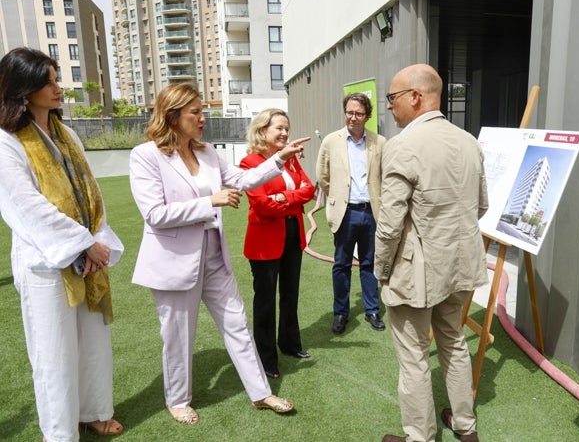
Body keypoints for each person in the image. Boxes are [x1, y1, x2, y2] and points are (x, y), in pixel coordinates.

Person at [129, 83, 308, 424]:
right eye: (195, 112)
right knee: (178, 335)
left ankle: (260, 393)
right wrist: (209, 201)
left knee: (237, 324)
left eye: (202, 112)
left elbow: (243, 179)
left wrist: (278, 159)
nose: (202, 118)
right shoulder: (146, 155)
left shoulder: (208, 152)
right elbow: (155, 215)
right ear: (173, 115)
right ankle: (178, 399)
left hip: (213, 255)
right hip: (174, 261)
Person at [0, 47, 124, 441]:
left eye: (56, 78)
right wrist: (83, 244)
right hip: (45, 262)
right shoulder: (6, 141)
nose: (59, 87)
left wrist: (96, 244)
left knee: (93, 341)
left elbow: (90, 193)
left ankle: (93, 412)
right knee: (54, 353)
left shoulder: (66, 134)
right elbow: (25, 206)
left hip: (85, 256)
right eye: (49, 80)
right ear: (23, 87)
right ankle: (60, 432)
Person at [375, 64, 488, 442]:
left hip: (416, 271)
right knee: (453, 342)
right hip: (459, 264)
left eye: (392, 98)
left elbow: (389, 225)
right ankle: (464, 426)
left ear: (415, 97)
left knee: (414, 357)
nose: (389, 107)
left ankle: (420, 437)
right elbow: (481, 206)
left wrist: (381, 270)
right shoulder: (469, 140)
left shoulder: (402, 146)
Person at [240, 108, 315, 379]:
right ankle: (266, 358)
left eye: (287, 128)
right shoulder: (250, 162)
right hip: (264, 241)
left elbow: (310, 189)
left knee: (290, 294)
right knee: (265, 302)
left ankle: (290, 343)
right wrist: (290, 198)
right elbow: (263, 206)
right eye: (278, 129)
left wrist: (285, 198)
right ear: (263, 131)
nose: (284, 133)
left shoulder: (291, 159)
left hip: (293, 234)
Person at [316, 92, 386, 334]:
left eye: (358, 113)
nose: (353, 117)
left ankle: (372, 310)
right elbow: (323, 176)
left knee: (369, 263)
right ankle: (341, 313)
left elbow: (384, 177)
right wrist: (336, 198)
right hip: (344, 213)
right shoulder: (331, 141)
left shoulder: (380, 142)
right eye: (349, 112)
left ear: (367, 116)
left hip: (371, 213)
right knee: (342, 264)